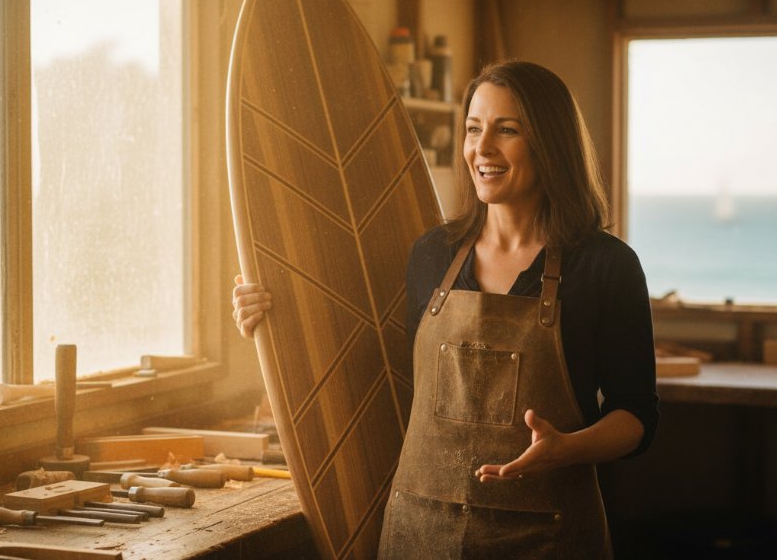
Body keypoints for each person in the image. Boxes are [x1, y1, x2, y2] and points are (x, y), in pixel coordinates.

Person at [233, 60, 658, 559]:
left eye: (507, 130)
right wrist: (273, 319)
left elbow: (637, 415)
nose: (482, 149)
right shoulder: (431, 254)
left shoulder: (606, 266)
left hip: (549, 537)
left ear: (550, 141)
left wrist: (567, 447)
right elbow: (382, 377)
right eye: (474, 129)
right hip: (420, 533)